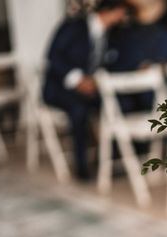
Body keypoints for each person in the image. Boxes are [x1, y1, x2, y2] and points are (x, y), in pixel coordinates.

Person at [43, 0, 131, 180]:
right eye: (121, 13)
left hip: (92, 88)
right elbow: (53, 56)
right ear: (109, 11)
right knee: (79, 109)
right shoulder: (73, 26)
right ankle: (81, 166)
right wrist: (78, 80)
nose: (123, 18)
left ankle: (109, 159)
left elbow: (111, 62)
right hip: (60, 88)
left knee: (121, 102)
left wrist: (95, 81)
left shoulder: (113, 34)